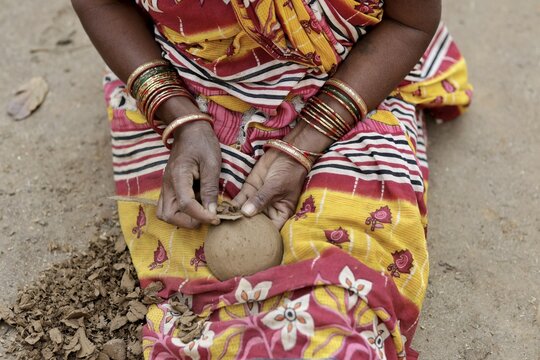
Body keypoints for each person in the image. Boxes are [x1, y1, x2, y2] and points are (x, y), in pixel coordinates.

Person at [72, 0, 472, 358]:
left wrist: (306, 141)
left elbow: (409, 22)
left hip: (350, 78)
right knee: (193, 284)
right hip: (190, 80)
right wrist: (181, 119)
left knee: (341, 308)